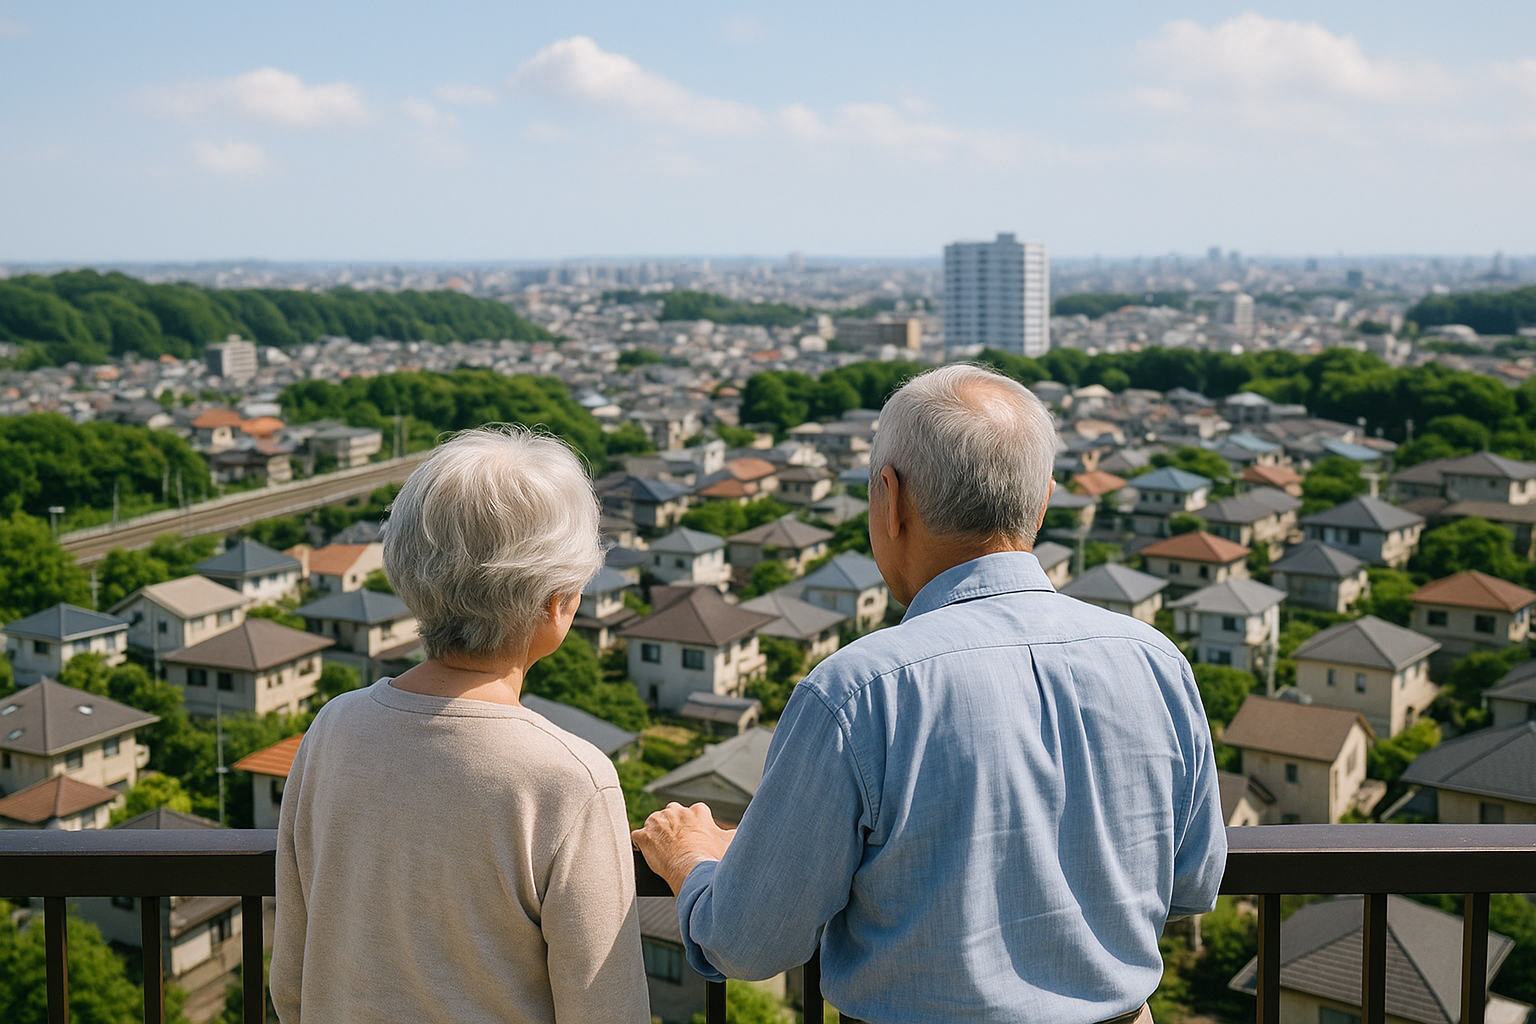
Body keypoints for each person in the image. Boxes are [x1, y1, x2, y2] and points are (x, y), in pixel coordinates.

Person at [633, 364, 1227, 1024]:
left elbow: (746, 942)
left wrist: (695, 861)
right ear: (1043, 501)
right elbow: (1194, 882)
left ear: (891, 498)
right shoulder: (1155, 662)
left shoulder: (859, 693)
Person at [272, 426, 649, 1024]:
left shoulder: (333, 729)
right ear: (560, 601)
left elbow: (292, 977)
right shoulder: (570, 778)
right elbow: (606, 1008)